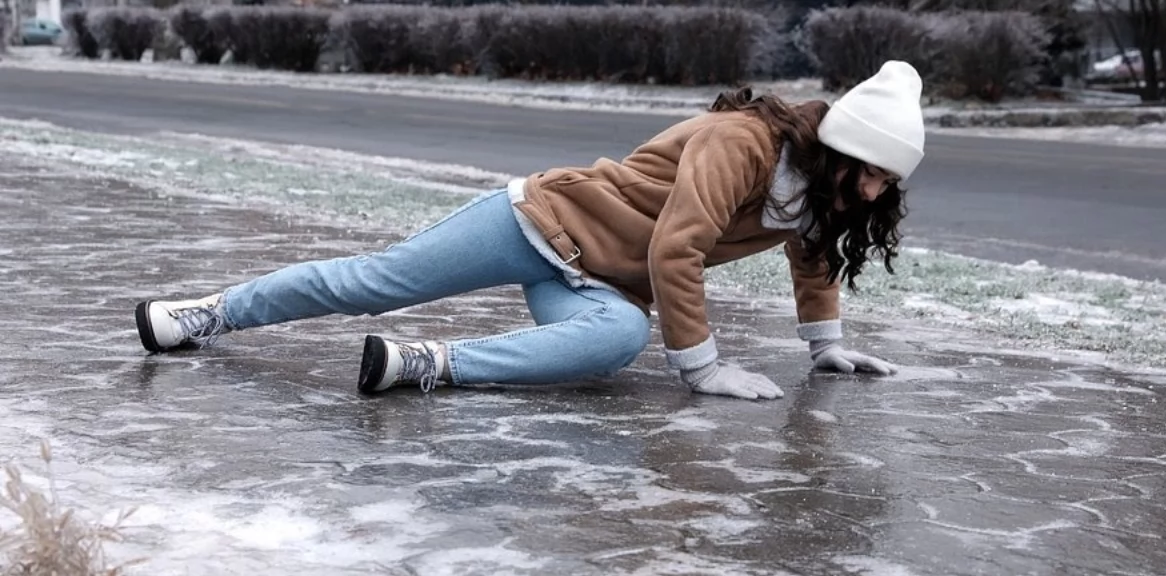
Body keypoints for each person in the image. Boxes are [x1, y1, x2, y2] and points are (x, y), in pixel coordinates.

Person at [134, 60, 925, 401]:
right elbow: (676, 246)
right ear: (837, 148)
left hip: (599, 282)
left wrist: (824, 345)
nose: (876, 189)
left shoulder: (820, 191)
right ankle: (208, 312)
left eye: (889, 180)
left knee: (614, 342)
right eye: (871, 171)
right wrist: (704, 368)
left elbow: (814, 250)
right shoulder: (743, 143)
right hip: (538, 220)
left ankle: (426, 364)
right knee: (373, 283)